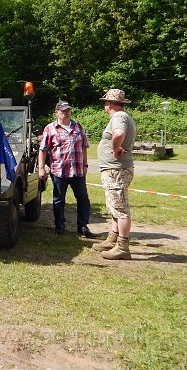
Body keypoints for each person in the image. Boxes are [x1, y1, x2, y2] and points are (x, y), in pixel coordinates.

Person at [38, 101, 96, 237]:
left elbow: (84, 148)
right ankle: (60, 225)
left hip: (77, 171)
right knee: (59, 199)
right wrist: (41, 168)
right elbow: (43, 150)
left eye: (68, 111)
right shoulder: (50, 128)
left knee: (83, 198)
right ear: (56, 112)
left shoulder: (78, 126)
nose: (66, 113)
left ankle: (82, 226)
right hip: (59, 170)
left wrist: (85, 165)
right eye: (63, 111)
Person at [92, 89, 136, 260]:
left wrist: (115, 148)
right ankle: (113, 239)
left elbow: (119, 133)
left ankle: (123, 247)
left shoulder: (119, 117)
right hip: (115, 169)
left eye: (105, 102)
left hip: (116, 169)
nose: (105, 105)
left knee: (120, 208)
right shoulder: (122, 117)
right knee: (114, 205)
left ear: (109, 104)